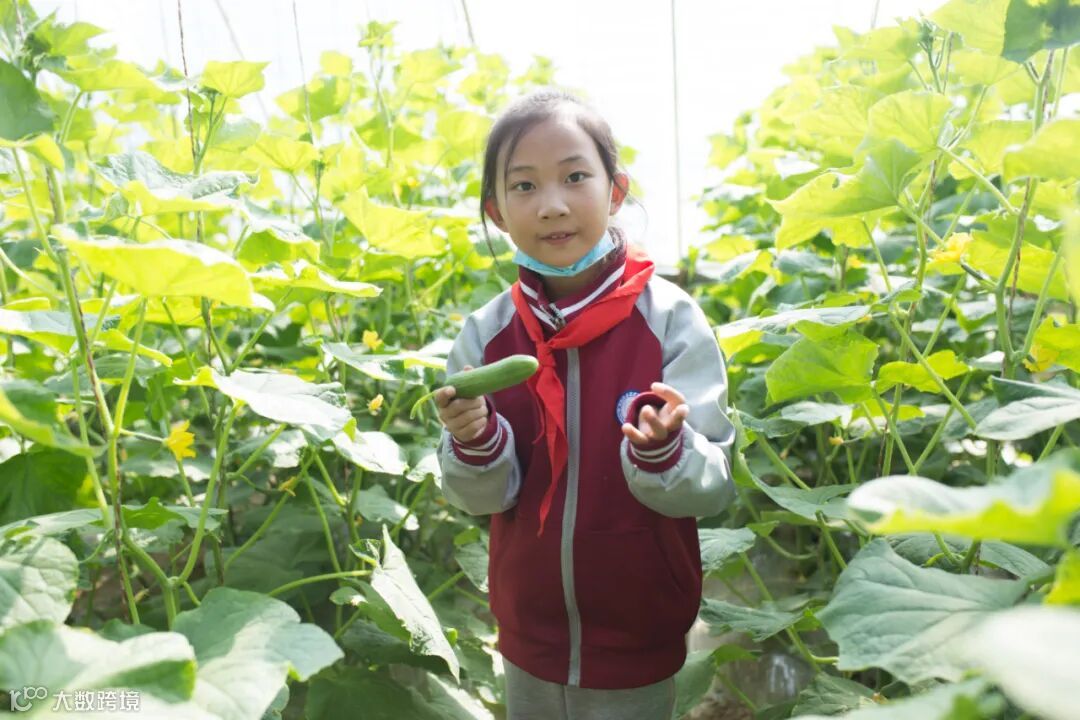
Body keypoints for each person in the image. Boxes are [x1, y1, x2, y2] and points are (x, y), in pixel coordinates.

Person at [433, 88, 736, 720]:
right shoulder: (485, 337)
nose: (552, 204)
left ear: (616, 190)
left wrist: (666, 453)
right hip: (528, 635)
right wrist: (474, 442)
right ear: (496, 212)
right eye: (524, 186)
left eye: (575, 177)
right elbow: (478, 499)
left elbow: (712, 488)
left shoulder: (672, 321)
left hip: (640, 631)